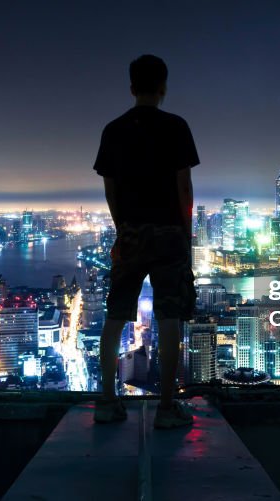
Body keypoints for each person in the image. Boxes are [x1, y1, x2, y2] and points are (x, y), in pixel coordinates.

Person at [92, 54, 199, 429]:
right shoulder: (176, 127)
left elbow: (110, 190)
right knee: (170, 317)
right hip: (170, 232)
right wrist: (185, 235)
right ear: (163, 87)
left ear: (132, 87)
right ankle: (167, 408)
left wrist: (124, 226)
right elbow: (184, 186)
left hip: (132, 232)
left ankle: (107, 402)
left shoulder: (113, 130)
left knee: (116, 314)